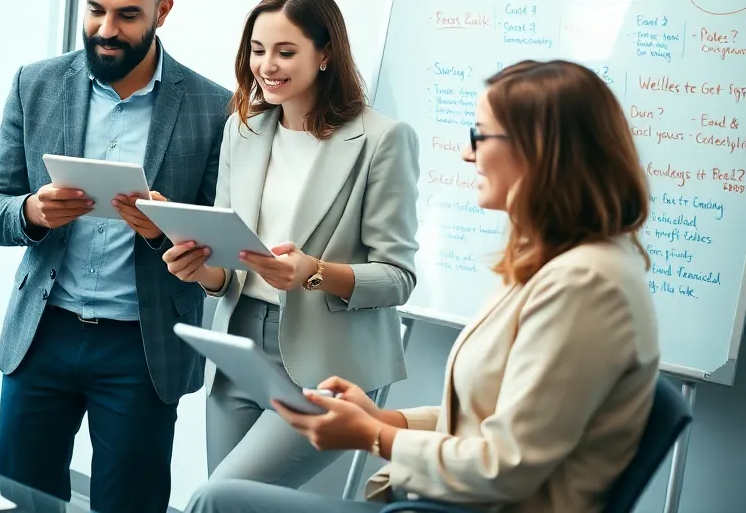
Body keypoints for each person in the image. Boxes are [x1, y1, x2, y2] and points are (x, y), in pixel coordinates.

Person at [185, 59, 661, 513]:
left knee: (216, 501)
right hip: (446, 498)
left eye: (481, 135)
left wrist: (374, 438)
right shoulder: (552, 267)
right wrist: (382, 421)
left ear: (540, 149)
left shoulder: (586, 285)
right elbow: (481, 422)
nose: (467, 152)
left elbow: (506, 465)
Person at [0, 0, 231, 513]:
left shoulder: (213, 108)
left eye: (127, 14)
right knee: (23, 502)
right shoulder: (35, 84)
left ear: (162, 12)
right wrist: (31, 213)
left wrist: (163, 227)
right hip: (42, 335)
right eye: (95, 9)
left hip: (141, 349)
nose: (106, 29)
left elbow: (220, 243)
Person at [162, 0, 419, 488]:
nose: (267, 66)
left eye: (285, 51)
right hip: (240, 347)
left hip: (328, 364)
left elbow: (398, 278)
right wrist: (203, 272)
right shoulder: (244, 129)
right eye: (258, 51)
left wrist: (314, 273)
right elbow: (228, 267)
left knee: (217, 496)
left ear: (325, 54)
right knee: (232, 503)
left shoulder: (382, 140)